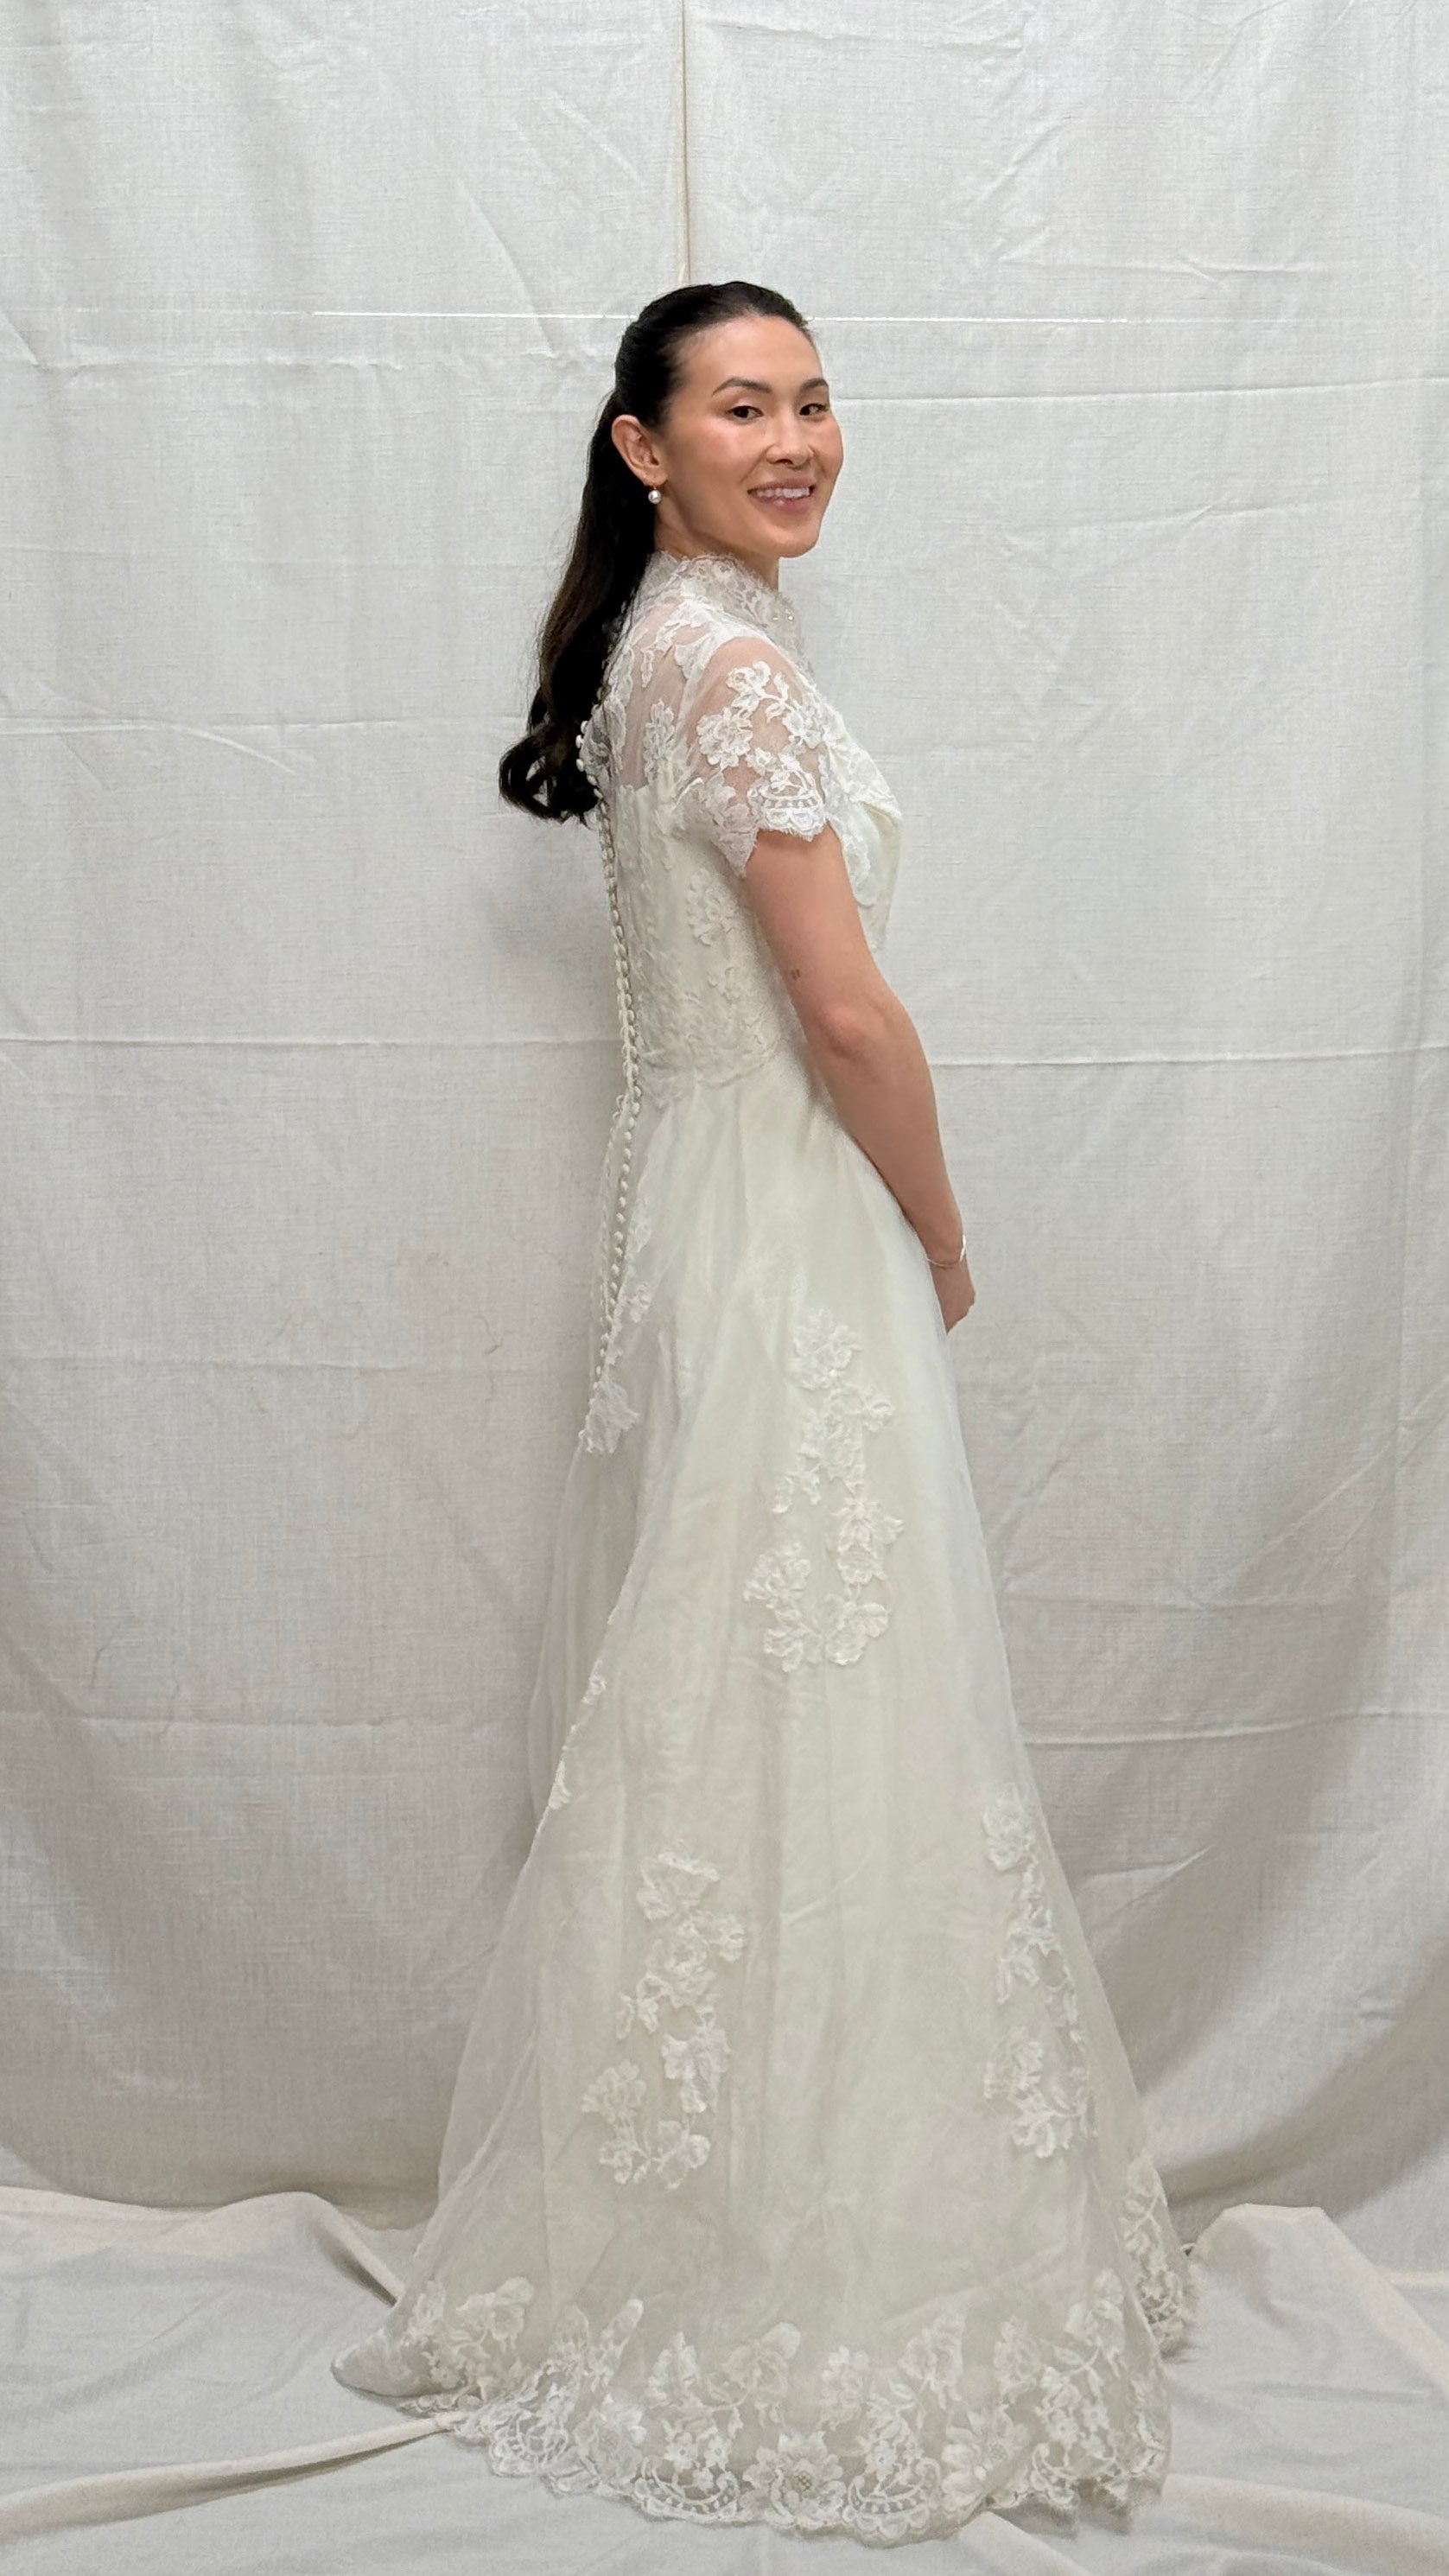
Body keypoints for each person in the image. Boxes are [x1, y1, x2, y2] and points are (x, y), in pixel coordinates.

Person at [331, 279, 1197, 2545]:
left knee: (742, 1702)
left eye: (816, 401)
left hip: (710, 1222)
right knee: (831, 1703)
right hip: (794, 1223)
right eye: (745, 406)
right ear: (646, 447)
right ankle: (818, 2259)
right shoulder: (722, 670)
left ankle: (725, 2206)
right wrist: (944, 1226)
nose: (799, 438)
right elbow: (848, 1014)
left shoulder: (659, 653)